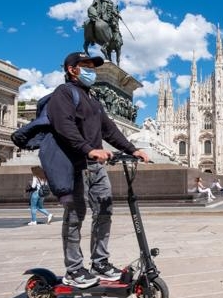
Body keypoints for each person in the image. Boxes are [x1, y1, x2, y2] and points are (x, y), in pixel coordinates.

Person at [47, 52, 149, 289]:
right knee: (75, 217)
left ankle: (100, 263)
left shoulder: (93, 101)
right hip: (75, 165)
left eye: (93, 67)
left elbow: (110, 130)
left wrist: (133, 150)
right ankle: (74, 269)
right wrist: (88, 149)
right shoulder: (64, 94)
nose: (92, 71)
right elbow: (63, 126)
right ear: (72, 69)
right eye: (86, 66)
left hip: (96, 167)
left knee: (104, 211)